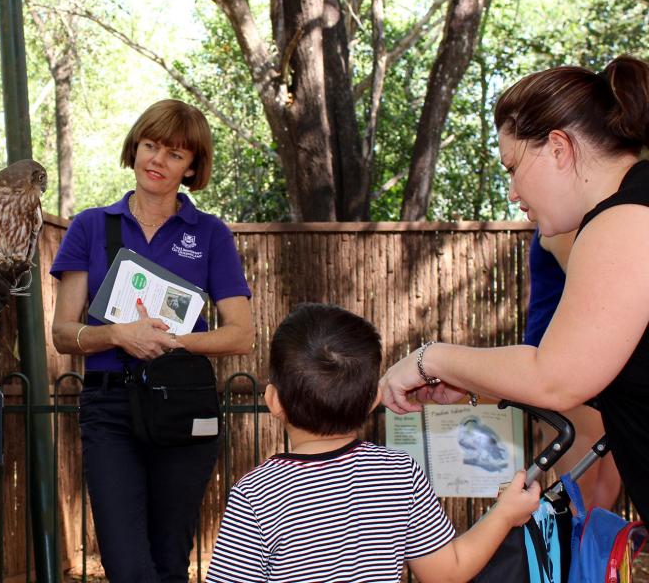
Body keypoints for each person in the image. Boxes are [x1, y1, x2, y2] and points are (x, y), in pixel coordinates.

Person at [379, 55, 649, 521]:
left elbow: (556, 377)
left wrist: (431, 358)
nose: (512, 192)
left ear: (559, 148)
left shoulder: (623, 219)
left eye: (512, 167)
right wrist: (470, 383)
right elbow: (592, 374)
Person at [50, 99, 253, 582]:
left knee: (169, 560)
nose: (158, 161)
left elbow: (241, 334)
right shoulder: (91, 226)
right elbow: (62, 333)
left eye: (175, 154)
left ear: (192, 167)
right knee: (126, 563)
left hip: (183, 406)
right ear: (135, 147)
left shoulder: (210, 234)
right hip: (109, 410)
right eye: (151, 146)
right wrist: (119, 335)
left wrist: (172, 342)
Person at [206, 303, 541, 582]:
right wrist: (504, 514)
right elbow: (448, 572)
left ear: (273, 401)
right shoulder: (399, 473)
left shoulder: (256, 493)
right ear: (373, 400)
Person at [524, 229, 621, 509]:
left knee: (603, 497)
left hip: (602, 365)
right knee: (582, 497)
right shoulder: (560, 227)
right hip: (563, 365)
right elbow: (591, 290)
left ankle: (597, 555)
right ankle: (576, 553)